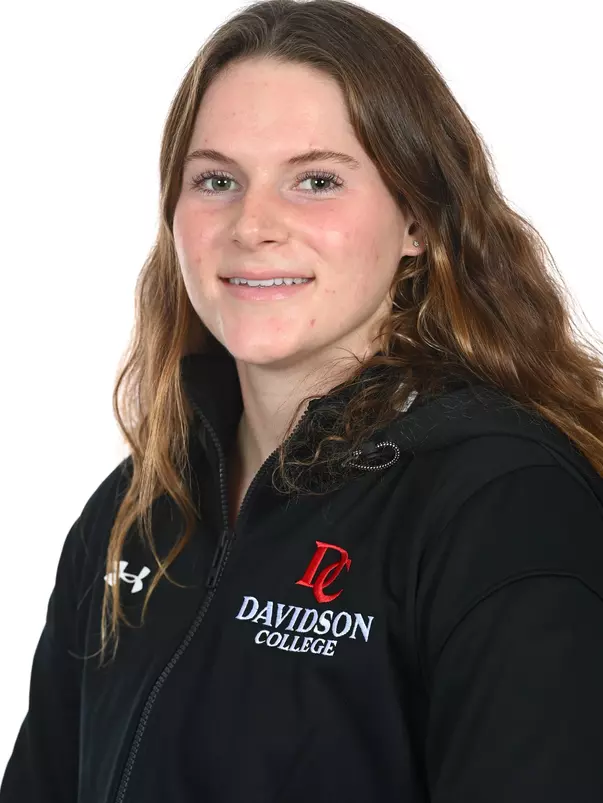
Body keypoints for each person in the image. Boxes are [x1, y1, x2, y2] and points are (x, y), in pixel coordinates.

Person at [2, 0, 603, 800]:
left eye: (315, 181)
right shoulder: (137, 513)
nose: (253, 224)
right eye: (217, 180)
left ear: (418, 218)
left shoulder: (499, 501)